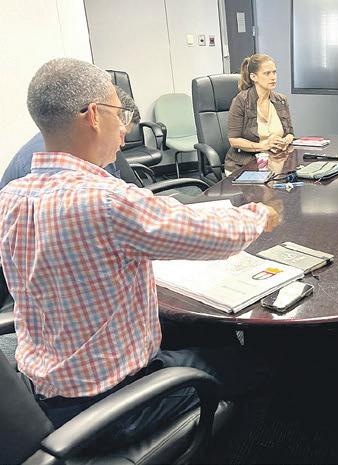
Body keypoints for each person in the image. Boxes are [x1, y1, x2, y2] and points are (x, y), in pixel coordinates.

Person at [0, 58, 280, 442]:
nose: (124, 128)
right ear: (93, 115)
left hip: (45, 391)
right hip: (118, 403)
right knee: (257, 363)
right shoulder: (106, 200)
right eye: (119, 114)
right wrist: (260, 215)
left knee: (193, 332)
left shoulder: (10, 198)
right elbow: (216, 235)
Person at [0, 86, 139, 189]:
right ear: (94, 116)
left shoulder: (60, 138)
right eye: (121, 132)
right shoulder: (53, 168)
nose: (122, 142)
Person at [226, 53, 294, 174]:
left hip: (275, 161)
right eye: (267, 73)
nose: (273, 77)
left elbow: (290, 134)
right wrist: (263, 146)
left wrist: (285, 141)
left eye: (274, 72)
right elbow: (234, 140)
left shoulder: (281, 100)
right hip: (244, 165)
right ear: (254, 77)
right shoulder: (241, 101)